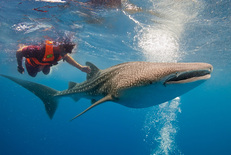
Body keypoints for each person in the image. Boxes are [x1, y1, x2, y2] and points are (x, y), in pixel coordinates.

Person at [16, 40, 91, 77]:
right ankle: (41, 67)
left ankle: (44, 66)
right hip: (33, 63)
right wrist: (20, 65)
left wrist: (80, 67)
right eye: (65, 51)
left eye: (68, 52)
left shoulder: (63, 52)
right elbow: (19, 52)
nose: (65, 54)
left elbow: (67, 58)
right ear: (60, 46)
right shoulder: (39, 50)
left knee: (46, 73)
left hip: (47, 63)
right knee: (33, 75)